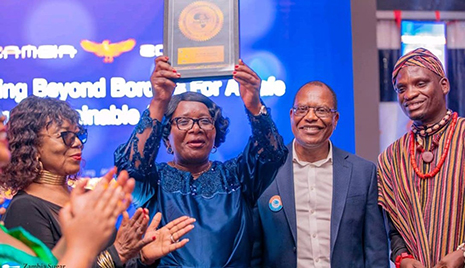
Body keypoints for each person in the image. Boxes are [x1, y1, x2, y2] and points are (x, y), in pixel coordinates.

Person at [115, 56, 287, 267]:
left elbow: (272, 154)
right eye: (183, 121)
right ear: (167, 137)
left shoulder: (238, 177)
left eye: (205, 121)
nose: (195, 129)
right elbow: (130, 168)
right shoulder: (153, 182)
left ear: (216, 134)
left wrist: (254, 105)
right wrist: (159, 101)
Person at [0, 96, 195, 267]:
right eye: (66, 136)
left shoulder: (84, 199)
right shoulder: (24, 207)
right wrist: (117, 254)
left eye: (79, 135)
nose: (77, 143)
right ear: (32, 145)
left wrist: (142, 255)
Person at [252, 81, 389, 267]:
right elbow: (254, 251)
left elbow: (376, 251)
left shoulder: (363, 173)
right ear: (291, 115)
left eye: (322, 110)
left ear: (336, 119)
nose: (310, 117)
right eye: (302, 109)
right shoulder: (265, 172)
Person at [378, 48, 465, 268]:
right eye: (401, 88)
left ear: (444, 85)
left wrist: (463, 254)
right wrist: (402, 257)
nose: (409, 95)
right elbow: (395, 225)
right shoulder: (391, 157)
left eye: (420, 83)